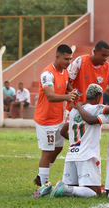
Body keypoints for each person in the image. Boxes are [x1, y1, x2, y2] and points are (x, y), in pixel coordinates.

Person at [50, 84, 109, 198]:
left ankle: (57, 188)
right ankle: (65, 188)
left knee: (75, 188)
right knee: (96, 192)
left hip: (71, 155)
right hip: (87, 155)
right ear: (98, 97)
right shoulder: (96, 108)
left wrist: (76, 142)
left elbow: (63, 132)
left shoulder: (73, 112)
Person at [33, 44, 77, 198]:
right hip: (46, 120)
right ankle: (44, 185)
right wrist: (67, 97)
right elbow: (50, 96)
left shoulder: (64, 72)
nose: (69, 62)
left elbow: (65, 87)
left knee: (58, 147)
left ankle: (40, 176)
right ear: (57, 57)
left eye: (70, 59)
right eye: (66, 59)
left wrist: (71, 92)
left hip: (58, 119)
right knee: (48, 151)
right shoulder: (47, 74)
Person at [67, 40, 109, 107]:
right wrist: (73, 94)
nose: (105, 59)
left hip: (95, 110)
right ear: (95, 52)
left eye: (107, 56)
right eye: (103, 55)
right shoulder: (80, 61)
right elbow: (68, 81)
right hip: (77, 107)